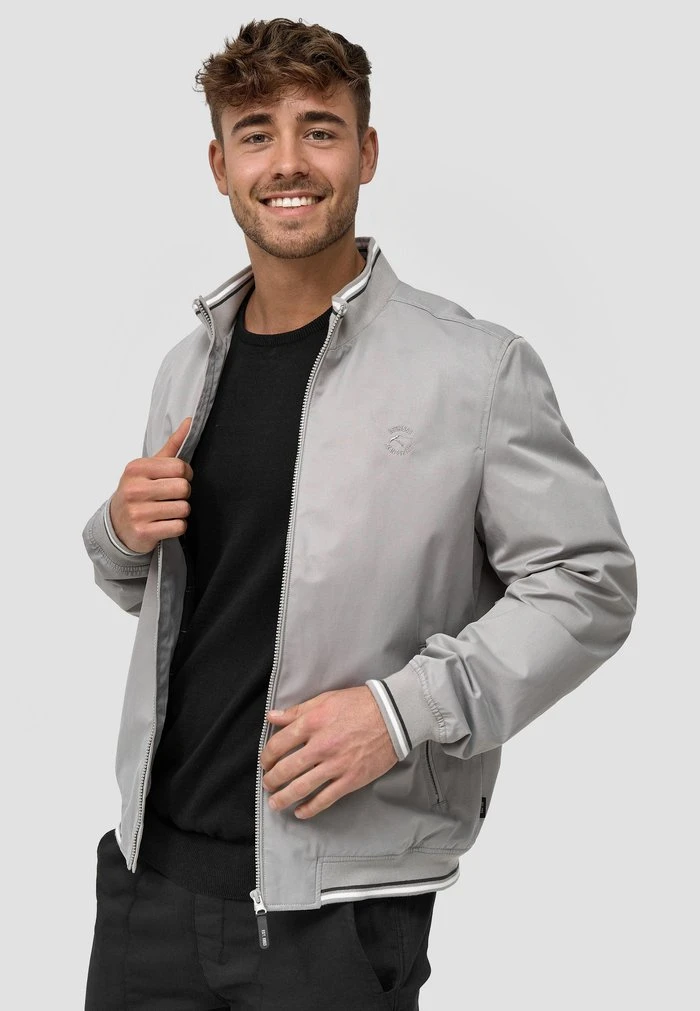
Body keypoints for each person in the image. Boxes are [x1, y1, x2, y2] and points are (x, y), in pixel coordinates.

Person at [82, 17, 638, 1011]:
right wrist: (120, 533)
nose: (288, 162)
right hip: (146, 884)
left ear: (366, 152)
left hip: (335, 911)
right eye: (257, 134)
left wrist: (399, 711)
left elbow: (587, 584)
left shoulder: (475, 371)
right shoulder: (187, 365)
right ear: (220, 165)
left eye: (320, 129)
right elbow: (187, 599)